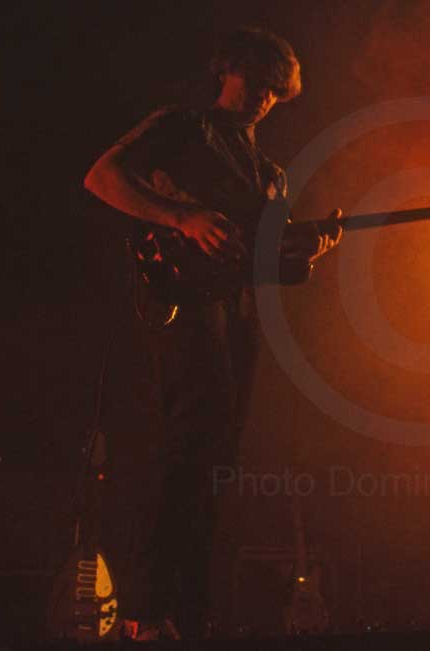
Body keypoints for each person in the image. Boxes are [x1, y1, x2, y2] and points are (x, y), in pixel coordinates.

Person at [83, 27, 341, 640]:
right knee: (181, 448)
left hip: (236, 315)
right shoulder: (182, 128)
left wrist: (311, 251)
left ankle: (189, 610)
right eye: (255, 81)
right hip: (177, 304)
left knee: (215, 458)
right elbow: (101, 178)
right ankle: (146, 612)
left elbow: (266, 263)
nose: (263, 98)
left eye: (276, 91)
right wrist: (182, 217)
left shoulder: (271, 173)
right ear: (227, 71)